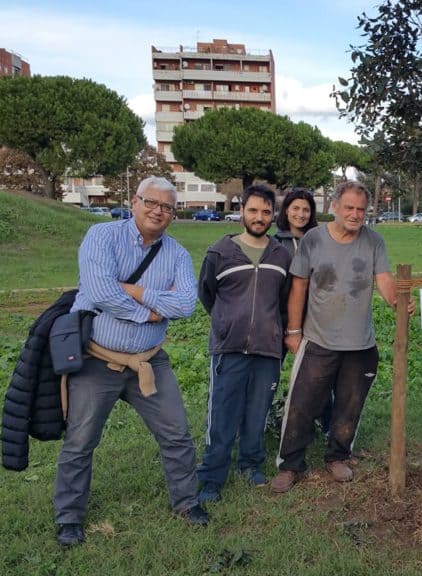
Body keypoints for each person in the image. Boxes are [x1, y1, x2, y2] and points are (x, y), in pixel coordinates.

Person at [53, 177, 206, 547]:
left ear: (173, 214)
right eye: (150, 202)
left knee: (177, 435)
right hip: (97, 361)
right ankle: (69, 518)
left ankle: (187, 503)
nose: (158, 211)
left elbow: (186, 304)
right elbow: (101, 292)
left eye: (167, 207)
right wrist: (150, 311)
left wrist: (135, 291)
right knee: (80, 441)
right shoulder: (101, 237)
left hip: (149, 363)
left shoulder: (178, 255)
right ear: (134, 201)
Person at [271, 180, 407, 494]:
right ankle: (291, 464)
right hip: (318, 341)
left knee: (349, 406)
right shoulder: (313, 240)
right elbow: (298, 288)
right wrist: (293, 332)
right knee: (302, 406)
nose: (356, 214)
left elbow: (384, 279)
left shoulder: (374, 241)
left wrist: (398, 301)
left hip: (360, 345)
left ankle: (337, 456)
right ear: (335, 207)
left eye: (361, 209)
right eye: (349, 207)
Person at [195, 184, 292, 502]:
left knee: (257, 411)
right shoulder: (219, 252)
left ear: (273, 215)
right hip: (229, 348)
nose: (260, 217)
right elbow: (207, 295)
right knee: (222, 413)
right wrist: (227, 323)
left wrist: (275, 332)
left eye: (266, 211)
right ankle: (212, 475)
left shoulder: (281, 255)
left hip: (267, 349)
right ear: (241, 212)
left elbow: (283, 301)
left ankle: (250, 465)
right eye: (253, 210)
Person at [272, 187, 333, 435]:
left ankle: (327, 426)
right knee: (269, 376)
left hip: (313, 320)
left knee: (319, 376)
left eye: (306, 209)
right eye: (295, 208)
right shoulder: (275, 243)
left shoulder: (320, 241)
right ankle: (261, 423)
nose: (301, 214)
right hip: (278, 320)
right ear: (286, 210)